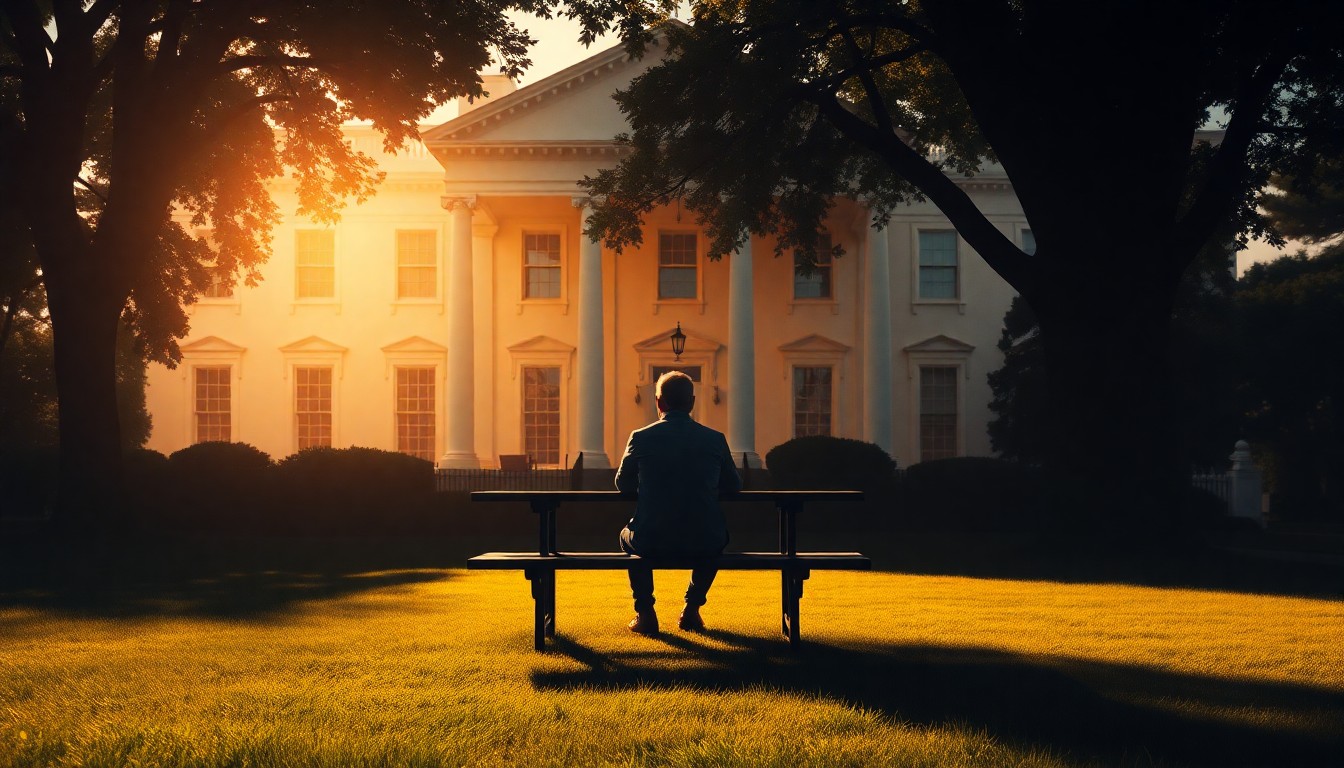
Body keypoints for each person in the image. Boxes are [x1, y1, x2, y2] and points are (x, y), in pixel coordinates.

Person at [615, 370, 742, 635]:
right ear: (692, 402)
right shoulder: (714, 439)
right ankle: (692, 609)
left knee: (627, 537)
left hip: (652, 539)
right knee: (715, 537)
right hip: (703, 538)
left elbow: (622, 484)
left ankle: (645, 613)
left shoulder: (641, 437)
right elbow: (735, 485)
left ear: (659, 402)